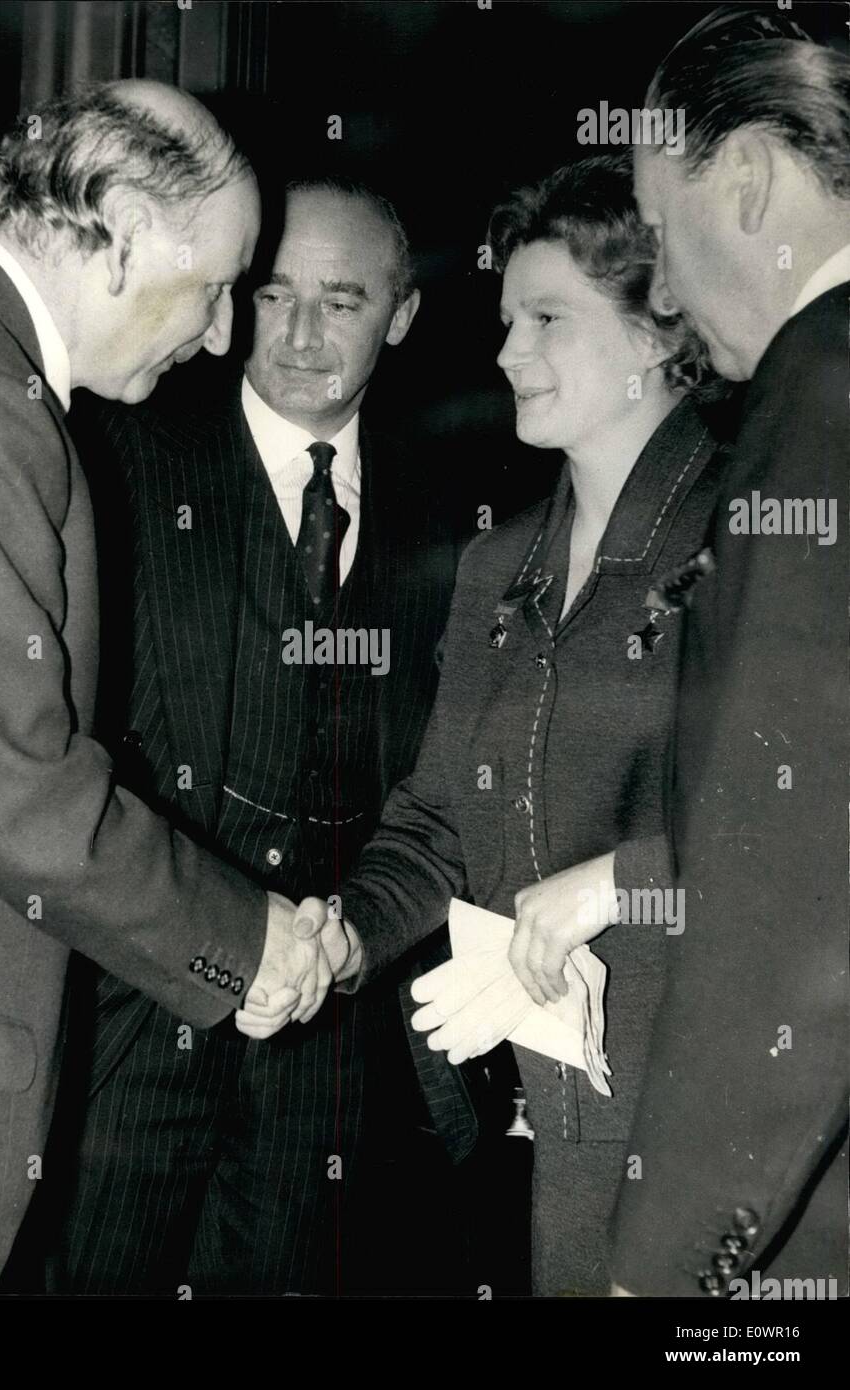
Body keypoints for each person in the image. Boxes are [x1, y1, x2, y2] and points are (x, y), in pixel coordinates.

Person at [0, 81, 345, 1295]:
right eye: (215, 284)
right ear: (109, 220)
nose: (222, 334)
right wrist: (245, 940)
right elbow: (9, 789)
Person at [247, 153, 730, 1296]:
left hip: (715, 1106)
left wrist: (619, 879)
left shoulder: (753, 535)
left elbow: (810, 831)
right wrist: (346, 934)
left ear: (664, 328)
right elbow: (436, 822)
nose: (507, 352)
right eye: (508, 319)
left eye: (547, 319)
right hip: (546, 1121)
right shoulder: (495, 562)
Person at [54, 178, 462, 1295]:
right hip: (133, 1013)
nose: (298, 334)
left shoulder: (459, 510)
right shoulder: (121, 458)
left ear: (404, 313)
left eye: (340, 301)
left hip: (331, 1041)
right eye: (274, 294)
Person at [608, 6, 849, 1297]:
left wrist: (662, 1271)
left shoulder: (819, 402)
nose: (655, 283)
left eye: (655, 225)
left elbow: (794, 907)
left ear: (746, 178)